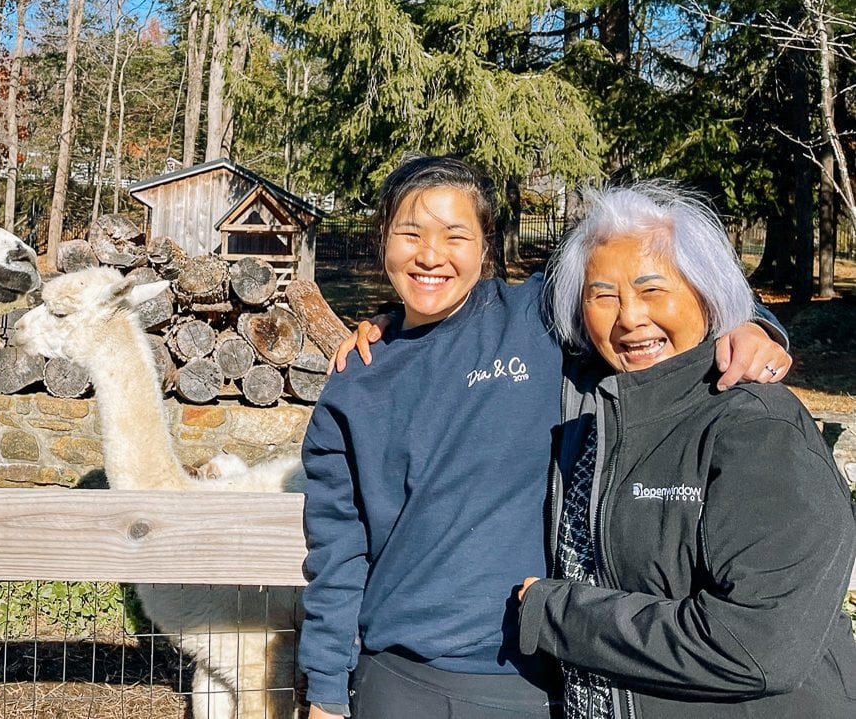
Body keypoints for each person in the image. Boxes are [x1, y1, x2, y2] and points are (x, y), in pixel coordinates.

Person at [301, 157, 790, 719]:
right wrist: (326, 693)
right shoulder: (355, 384)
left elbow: (662, 287)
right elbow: (338, 553)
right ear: (381, 238)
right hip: (399, 680)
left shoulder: (538, 318)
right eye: (410, 233)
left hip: (534, 679)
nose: (430, 256)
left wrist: (754, 324)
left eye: (455, 235)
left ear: (485, 246)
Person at [515, 182, 856, 717]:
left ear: (706, 294)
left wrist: (555, 613)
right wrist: (389, 329)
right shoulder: (596, 405)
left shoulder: (756, 429)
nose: (629, 317)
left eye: (654, 291)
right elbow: (470, 309)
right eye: (603, 296)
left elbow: (758, 649)